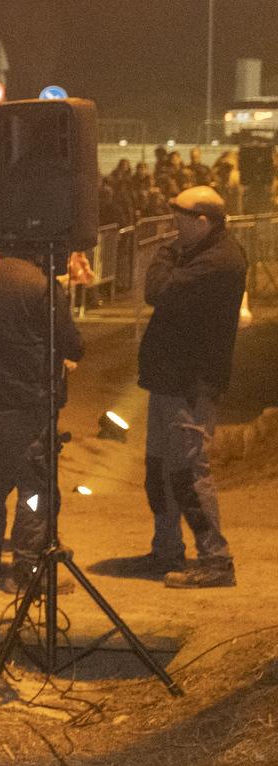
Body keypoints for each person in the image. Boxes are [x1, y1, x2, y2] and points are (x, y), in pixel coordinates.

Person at [0, 246, 83, 589]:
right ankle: (27, 567)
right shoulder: (41, 285)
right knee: (35, 492)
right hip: (29, 404)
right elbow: (71, 343)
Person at [141, 186, 249, 588]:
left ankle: (215, 559)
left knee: (188, 472)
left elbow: (157, 290)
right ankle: (167, 549)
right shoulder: (206, 253)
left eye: (180, 220)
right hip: (172, 378)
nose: (173, 228)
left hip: (190, 381)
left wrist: (165, 254)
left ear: (203, 221)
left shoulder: (218, 262)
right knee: (161, 470)